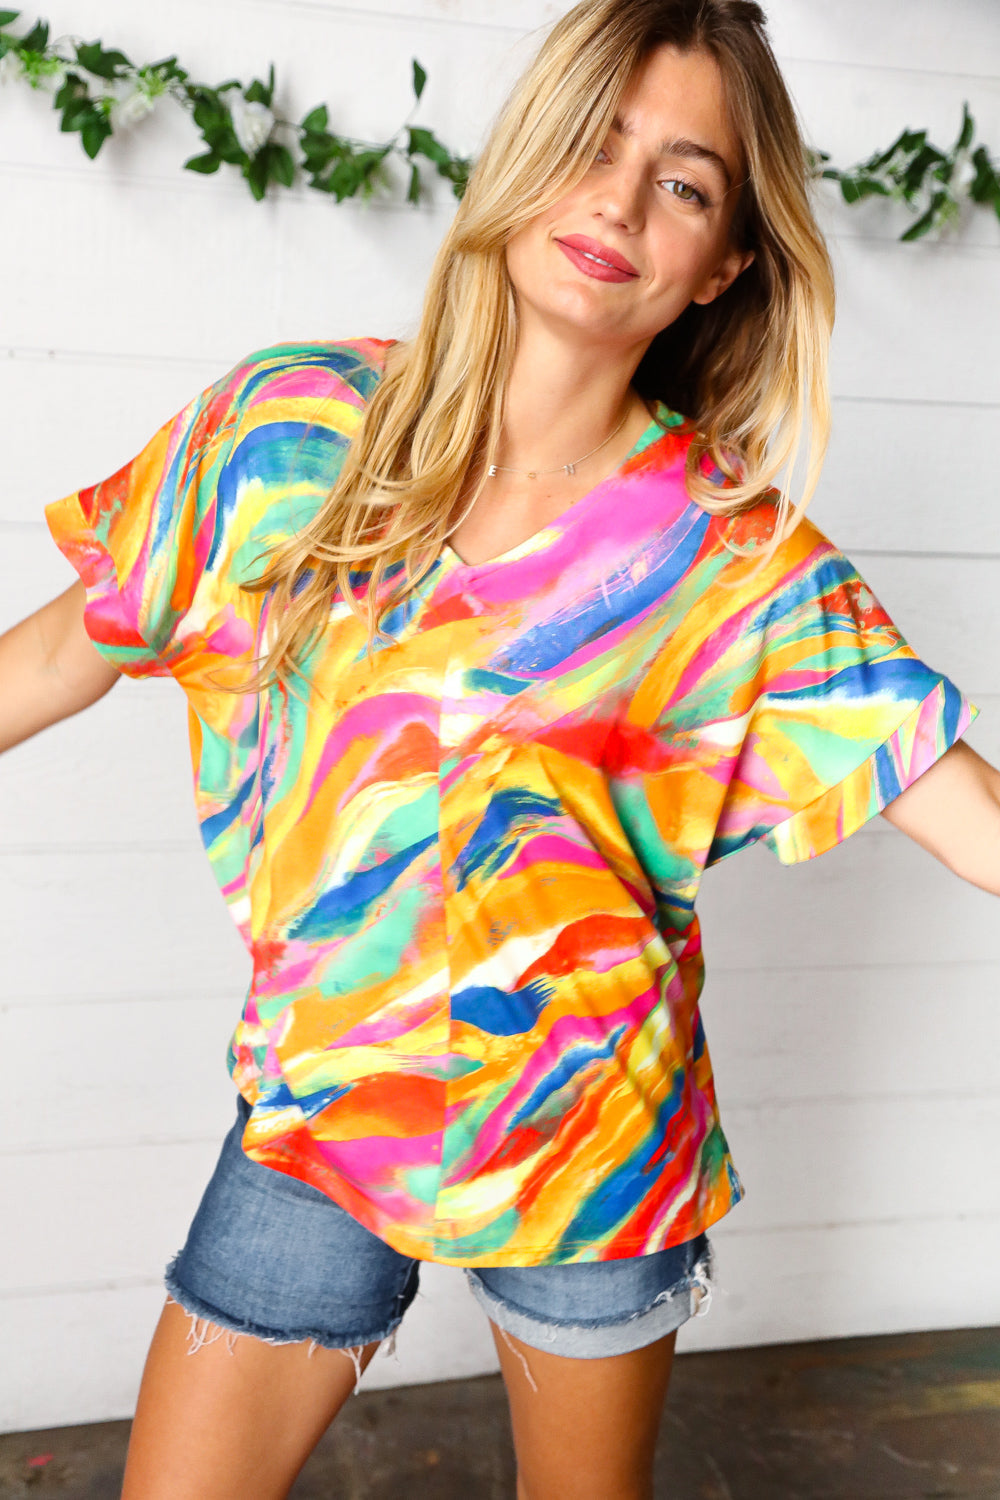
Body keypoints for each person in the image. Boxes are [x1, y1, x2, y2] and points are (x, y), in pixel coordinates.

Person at [4, 0, 998, 1496]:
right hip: (321, 1113)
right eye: (594, 142)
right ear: (524, 153)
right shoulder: (294, 430)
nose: (619, 201)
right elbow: (63, 650)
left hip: (593, 1146)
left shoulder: (737, 558)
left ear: (725, 262)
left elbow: (961, 805)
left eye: (684, 182)